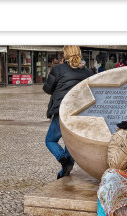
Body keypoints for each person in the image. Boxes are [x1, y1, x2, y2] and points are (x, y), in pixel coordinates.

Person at [43, 46, 94, 179]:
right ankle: (65, 171)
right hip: (79, 113)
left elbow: (47, 88)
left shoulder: (58, 69)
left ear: (65, 54)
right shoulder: (88, 72)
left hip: (62, 111)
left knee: (50, 140)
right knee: (70, 143)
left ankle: (64, 160)